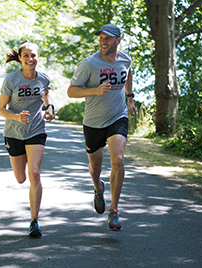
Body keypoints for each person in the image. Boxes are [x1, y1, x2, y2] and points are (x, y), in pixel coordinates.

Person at [67, 24, 137, 231]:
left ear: (118, 41)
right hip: (93, 122)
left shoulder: (125, 59)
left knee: (118, 160)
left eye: (108, 38)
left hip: (118, 117)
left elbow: (128, 73)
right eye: (101, 38)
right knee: (95, 167)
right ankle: (98, 188)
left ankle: (114, 210)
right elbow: (71, 91)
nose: (103, 41)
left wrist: (130, 97)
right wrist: (95, 91)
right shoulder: (89, 64)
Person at [0, 40, 55, 238]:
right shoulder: (11, 80)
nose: (30, 59)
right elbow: (0, 110)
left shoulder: (44, 79)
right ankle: (33, 218)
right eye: (26, 56)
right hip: (14, 133)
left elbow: (46, 97)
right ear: (20, 59)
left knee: (35, 173)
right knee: (21, 178)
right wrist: (16, 117)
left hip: (37, 130)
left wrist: (50, 109)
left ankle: (34, 221)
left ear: (38, 57)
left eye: (34, 55)